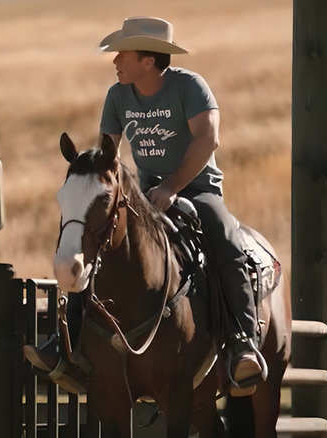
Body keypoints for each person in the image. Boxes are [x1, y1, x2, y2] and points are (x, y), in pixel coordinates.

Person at [24, 16, 262, 397]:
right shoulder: (117, 95)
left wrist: (173, 186)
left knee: (227, 242)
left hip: (198, 189)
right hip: (144, 193)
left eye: (123, 53)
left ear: (148, 61)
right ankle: (68, 349)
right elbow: (109, 154)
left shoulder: (190, 87)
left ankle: (242, 345)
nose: (115, 59)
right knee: (94, 241)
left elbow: (208, 140)